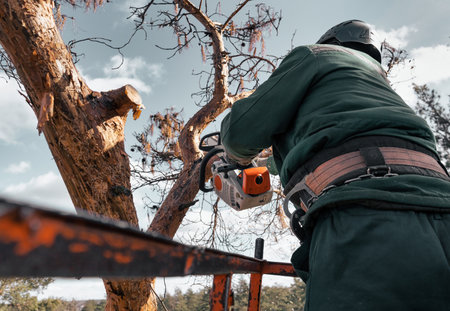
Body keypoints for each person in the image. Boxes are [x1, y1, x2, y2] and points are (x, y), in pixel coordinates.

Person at [220, 20, 450, 311]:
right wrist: (267, 163)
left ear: (330, 40)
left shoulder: (316, 55)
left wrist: (232, 157)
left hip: (367, 217)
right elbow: (337, 140)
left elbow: (240, 131)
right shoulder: (379, 83)